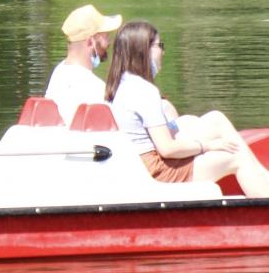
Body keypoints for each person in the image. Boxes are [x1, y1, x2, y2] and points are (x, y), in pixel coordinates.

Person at [105, 20, 269, 194]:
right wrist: (205, 146)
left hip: (142, 164)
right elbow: (167, 149)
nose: (163, 51)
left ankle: (263, 178)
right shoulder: (144, 91)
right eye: (159, 45)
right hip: (156, 172)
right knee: (236, 157)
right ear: (144, 51)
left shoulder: (122, 84)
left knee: (215, 118)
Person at [45, 3, 123, 123]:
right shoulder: (95, 88)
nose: (109, 42)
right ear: (90, 43)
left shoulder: (58, 73)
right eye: (106, 36)